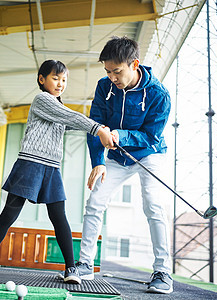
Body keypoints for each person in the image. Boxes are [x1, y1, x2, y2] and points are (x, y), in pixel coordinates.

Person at [0, 60, 114, 284]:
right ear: (42, 79)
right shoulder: (42, 99)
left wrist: (101, 125)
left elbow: (73, 121)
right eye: (55, 78)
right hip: (30, 164)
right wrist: (98, 128)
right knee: (9, 213)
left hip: (52, 168)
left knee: (59, 217)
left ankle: (71, 269)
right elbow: (71, 117)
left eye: (64, 80)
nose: (60, 84)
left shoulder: (59, 109)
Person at [74, 36, 173, 293]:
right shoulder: (104, 86)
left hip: (148, 153)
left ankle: (163, 272)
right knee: (95, 202)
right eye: (108, 71)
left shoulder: (159, 95)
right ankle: (85, 264)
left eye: (117, 71)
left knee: (153, 204)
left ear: (134, 64)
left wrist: (120, 135)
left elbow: (151, 136)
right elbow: (95, 126)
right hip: (116, 156)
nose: (112, 78)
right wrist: (98, 162)